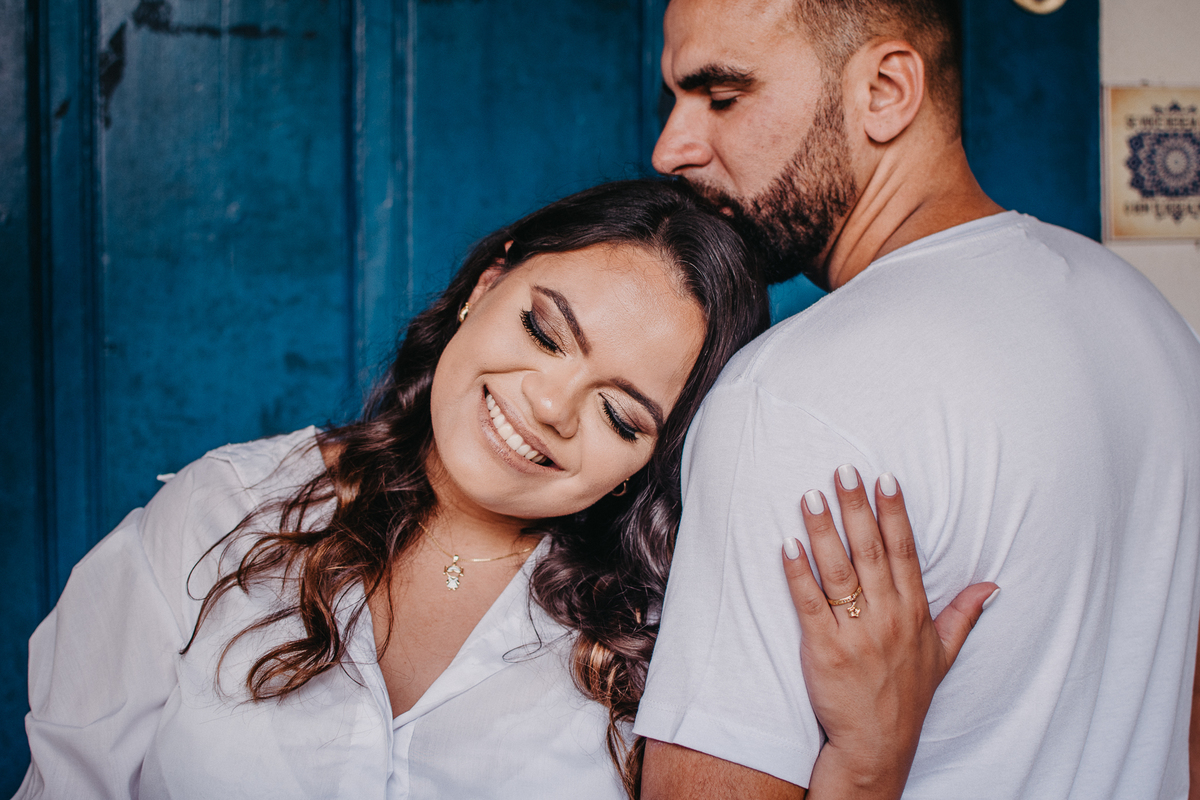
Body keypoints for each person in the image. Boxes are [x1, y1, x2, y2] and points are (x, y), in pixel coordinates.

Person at [15, 179, 990, 799]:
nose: (550, 406)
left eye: (621, 416)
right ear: (488, 284)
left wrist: (868, 762)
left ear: (649, 463)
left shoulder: (663, 640)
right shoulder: (224, 510)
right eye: (544, 330)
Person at [635, 1, 1200, 798]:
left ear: (886, 91)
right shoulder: (1153, 323)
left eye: (722, 97)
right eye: (675, 99)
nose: (671, 149)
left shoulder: (789, 398)